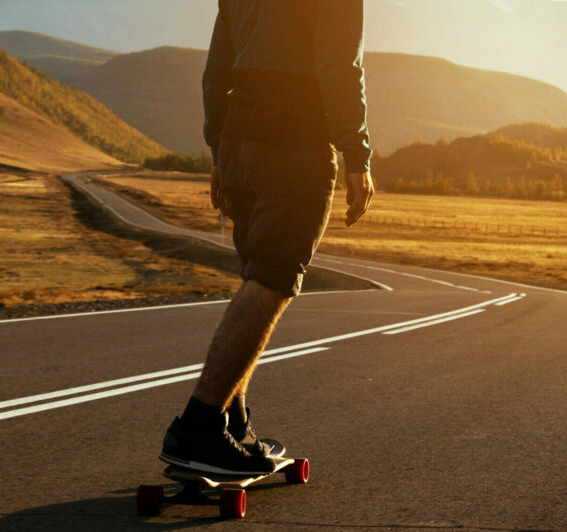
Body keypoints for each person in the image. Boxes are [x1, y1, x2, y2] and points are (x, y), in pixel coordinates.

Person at [159, 0, 374, 475]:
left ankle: (233, 424)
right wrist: (357, 156)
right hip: (295, 145)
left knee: (257, 275)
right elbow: (339, 64)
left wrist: (218, 150)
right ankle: (199, 424)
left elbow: (217, 66)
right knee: (272, 280)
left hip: (239, 141)